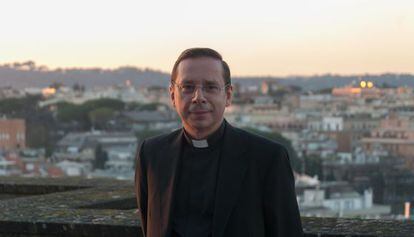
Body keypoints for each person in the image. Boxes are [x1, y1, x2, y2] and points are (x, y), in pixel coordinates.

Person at [135, 48, 303, 237]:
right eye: (188, 87)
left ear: (228, 95)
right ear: (173, 95)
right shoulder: (151, 154)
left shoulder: (268, 159)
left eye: (210, 87)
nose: (199, 97)